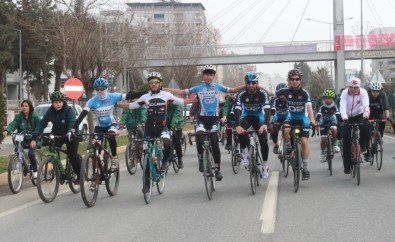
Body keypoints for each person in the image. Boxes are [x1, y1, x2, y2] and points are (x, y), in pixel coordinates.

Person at [117, 71, 196, 192]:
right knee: (147, 154)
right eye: (151, 82)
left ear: (160, 84)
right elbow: (132, 106)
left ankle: (164, 161)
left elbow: (181, 102)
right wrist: (117, 104)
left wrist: (196, 100)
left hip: (162, 127)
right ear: (149, 84)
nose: (153, 84)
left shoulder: (166, 95)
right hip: (149, 129)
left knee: (167, 142)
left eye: (156, 82)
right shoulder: (145, 97)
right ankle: (147, 183)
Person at [164, 65, 245, 181]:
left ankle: (217, 169)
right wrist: (164, 89)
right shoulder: (198, 88)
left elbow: (232, 90)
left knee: (214, 142)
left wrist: (246, 85)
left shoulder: (218, 86)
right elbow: (181, 92)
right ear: (203, 76)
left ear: (214, 76)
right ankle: (201, 159)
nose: (208, 77)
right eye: (206, 74)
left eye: (211, 75)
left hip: (214, 119)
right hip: (202, 119)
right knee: (200, 138)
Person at [73, 77, 146, 171]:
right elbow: (82, 114)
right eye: (97, 89)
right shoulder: (92, 101)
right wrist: (74, 127)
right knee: (95, 144)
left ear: (106, 88)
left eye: (102, 88)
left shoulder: (113, 96)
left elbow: (130, 96)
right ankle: (99, 162)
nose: (100, 91)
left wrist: (148, 92)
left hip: (111, 124)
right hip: (99, 127)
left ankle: (114, 157)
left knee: (111, 135)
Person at [30, 91, 81, 179]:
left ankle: (80, 174)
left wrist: (70, 132)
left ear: (63, 102)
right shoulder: (50, 111)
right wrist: (35, 136)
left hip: (71, 134)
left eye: (60, 102)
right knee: (53, 149)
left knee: (72, 154)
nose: (58, 104)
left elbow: (72, 122)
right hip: (57, 133)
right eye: (56, 102)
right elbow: (42, 123)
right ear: (52, 103)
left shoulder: (69, 110)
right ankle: (59, 170)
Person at [275, 68, 315, 180]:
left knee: (304, 141)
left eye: (297, 79)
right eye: (292, 79)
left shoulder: (304, 93)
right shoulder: (285, 91)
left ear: (300, 80)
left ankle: (305, 168)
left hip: (303, 119)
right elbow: (269, 94)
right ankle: (288, 147)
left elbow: (310, 108)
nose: (295, 81)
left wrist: (312, 121)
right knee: (286, 130)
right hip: (291, 117)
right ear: (289, 80)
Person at [234, 71, 271, 179]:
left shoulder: (262, 93)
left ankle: (265, 165)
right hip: (246, 116)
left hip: (259, 117)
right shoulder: (241, 93)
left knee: (263, 139)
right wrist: (237, 125)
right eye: (248, 83)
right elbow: (237, 109)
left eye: (253, 83)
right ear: (246, 83)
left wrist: (265, 125)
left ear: (257, 83)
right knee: (240, 130)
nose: (251, 85)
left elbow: (267, 109)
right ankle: (244, 152)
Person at [339, 76, 370, 174]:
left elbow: (366, 106)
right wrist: (344, 119)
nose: (353, 89)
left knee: (366, 127)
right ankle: (347, 167)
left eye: (356, 87)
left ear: (359, 87)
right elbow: (342, 106)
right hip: (347, 116)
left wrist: (366, 116)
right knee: (346, 141)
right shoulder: (344, 93)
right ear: (348, 86)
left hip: (358, 114)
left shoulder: (364, 92)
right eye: (351, 87)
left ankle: (362, 145)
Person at [3, 100, 41, 178]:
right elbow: (13, 124)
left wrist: (34, 139)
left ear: (30, 107)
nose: (24, 107)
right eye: (23, 106)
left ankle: (35, 171)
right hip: (22, 138)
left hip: (33, 139)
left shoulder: (35, 116)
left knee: (31, 154)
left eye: (26, 106)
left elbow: (39, 128)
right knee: (17, 150)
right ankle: (20, 162)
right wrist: (7, 130)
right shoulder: (19, 116)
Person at [364, 81, 391, 161]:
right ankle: (367, 153)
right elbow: (363, 107)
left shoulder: (383, 94)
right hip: (368, 112)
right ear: (370, 90)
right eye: (373, 91)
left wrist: (388, 117)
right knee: (367, 132)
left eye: (377, 91)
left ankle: (380, 136)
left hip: (379, 112)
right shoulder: (367, 94)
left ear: (380, 91)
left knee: (383, 119)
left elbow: (386, 108)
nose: (375, 93)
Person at [315, 89, 341, 162]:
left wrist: (341, 123)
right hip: (323, 122)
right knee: (323, 139)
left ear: (332, 99)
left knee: (334, 129)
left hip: (332, 120)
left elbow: (338, 114)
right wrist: (316, 122)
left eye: (329, 98)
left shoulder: (334, 106)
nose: (327, 100)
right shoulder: (322, 106)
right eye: (325, 98)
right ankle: (322, 152)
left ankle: (335, 144)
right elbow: (319, 115)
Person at [120, 97, 147, 168]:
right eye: (132, 99)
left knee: (143, 139)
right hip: (130, 126)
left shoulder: (141, 106)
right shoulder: (127, 107)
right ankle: (132, 160)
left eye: (135, 98)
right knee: (131, 142)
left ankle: (146, 153)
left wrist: (143, 121)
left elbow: (143, 114)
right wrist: (122, 124)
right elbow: (124, 115)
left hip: (139, 126)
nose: (133, 100)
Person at [269, 83, 289, 154]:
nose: (281, 94)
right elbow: (272, 112)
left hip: (287, 118)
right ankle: (276, 145)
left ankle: (289, 145)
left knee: (290, 133)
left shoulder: (289, 100)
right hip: (278, 118)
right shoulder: (276, 100)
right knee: (274, 132)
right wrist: (271, 121)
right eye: (279, 92)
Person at [167, 102, 185, 168]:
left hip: (177, 125)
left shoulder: (177, 105)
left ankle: (180, 159)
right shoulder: (163, 105)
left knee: (176, 141)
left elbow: (176, 116)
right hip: (167, 124)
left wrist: (173, 125)